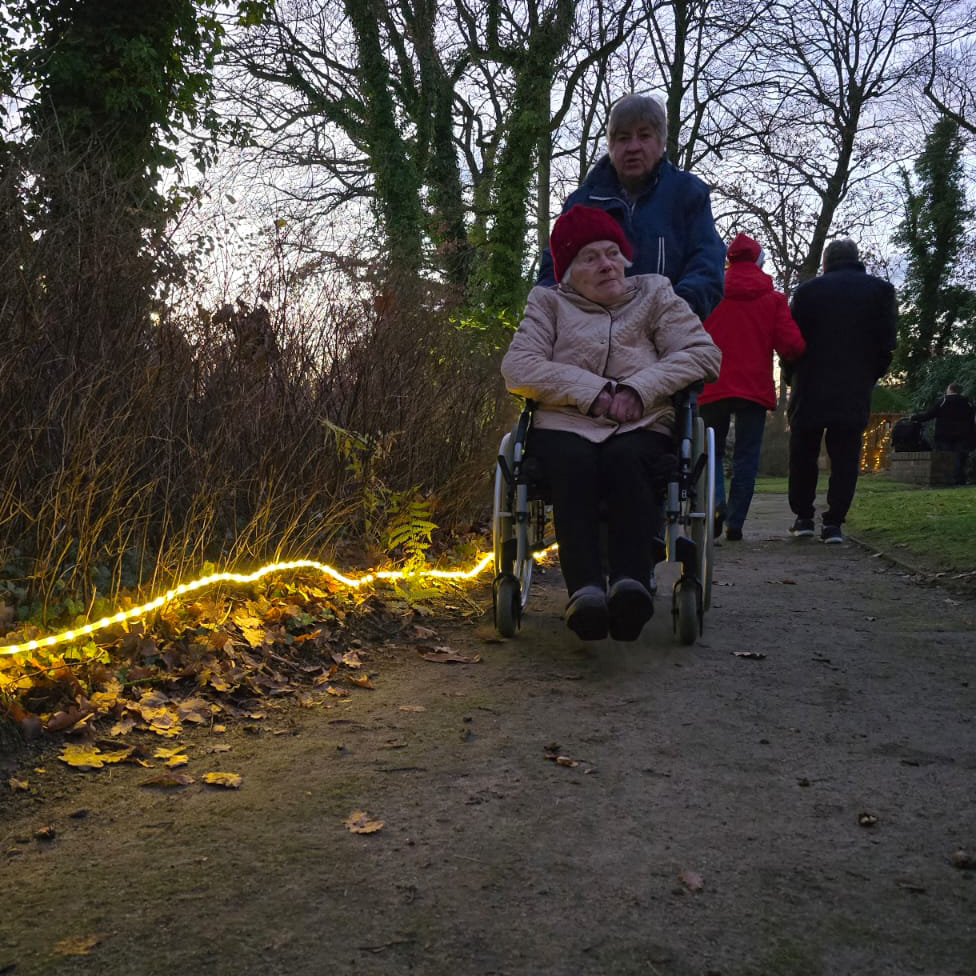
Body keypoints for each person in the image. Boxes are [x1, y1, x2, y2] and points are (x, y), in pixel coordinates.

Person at [501, 204, 721, 642]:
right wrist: (595, 392)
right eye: (589, 257)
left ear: (625, 256)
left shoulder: (656, 294)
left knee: (628, 460)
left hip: (642, 422)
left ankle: (630, 584)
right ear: (565, 273)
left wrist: (638, 388)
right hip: (565, 422)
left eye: (612, 252)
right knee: (573, 464)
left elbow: (702, 353)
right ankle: (584, 592)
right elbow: (518, 365)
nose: (606, 264)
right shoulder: (548, 302)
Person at [537, 93, 725, 324]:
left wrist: (676, 309)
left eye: (644, 136)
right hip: (589, 334)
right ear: (611, 146)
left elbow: (707, 264)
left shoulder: (687, 193)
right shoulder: (581, 202)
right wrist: (555, 316)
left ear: (661, 142)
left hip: (666, 331)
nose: (633, 147)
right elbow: (552, 270)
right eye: (623, 138)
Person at [785, 238, 897, 544]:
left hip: (810, 383)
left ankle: (803, 516)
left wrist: (789, 376)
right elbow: (887, 344)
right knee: (846, 454)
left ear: (825, 263)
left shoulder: (807, 292)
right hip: (853, 385)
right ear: (856, 259)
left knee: (803, 452)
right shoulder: (881, 291)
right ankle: (834, 522)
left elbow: (792, 341)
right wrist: (869, 375)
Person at [698, 234, 806, 542]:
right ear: (760, 262)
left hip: (712, 383)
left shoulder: (710, 294)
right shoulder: (773, 300)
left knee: (711, 451)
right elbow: (792, 345)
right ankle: (735, 522)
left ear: (729, 261)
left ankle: (715, 502)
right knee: (747, 456)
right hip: (753, 389)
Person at [911, 383, 975, 485]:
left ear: (950, 389)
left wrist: (915, 418)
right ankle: (959, 479)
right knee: (960, 456)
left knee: (945, 456)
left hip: (944, 434)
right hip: (963, 434)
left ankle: (946, 478)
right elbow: (972, 419)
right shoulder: (967, 402)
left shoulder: (943, 401)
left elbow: (929, 414)